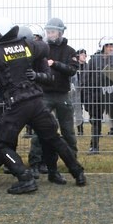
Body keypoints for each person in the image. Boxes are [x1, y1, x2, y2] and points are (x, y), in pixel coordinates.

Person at [0, 18, 87, 193]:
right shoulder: (27, 46)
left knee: (1, 144)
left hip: (17, 104)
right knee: (53, 138)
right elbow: (45, 48)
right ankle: (78, 173)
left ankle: (24, 177)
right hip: (37, 102)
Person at [26, 17, 79, 184]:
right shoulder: (42, 49)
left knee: (68, 131)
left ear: (61, 32)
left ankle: (73, 163)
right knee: (38, 132)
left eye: (53, 31)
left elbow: (72, 70)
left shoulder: (70, 51)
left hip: (63, 95)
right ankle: (35, 164)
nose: (50, 34)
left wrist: (54, 64)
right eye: (48, 31)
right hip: (44, 95)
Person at [81, 37, 113, 155]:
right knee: (95, 121)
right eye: (108, 46)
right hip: (96, 96)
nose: (110, 48)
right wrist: (88, 98)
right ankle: (94, 146)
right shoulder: (94, 61)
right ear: (102, 47)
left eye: (112, 46)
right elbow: (86, 80)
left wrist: (111, 73)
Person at [72, 48, 88, 136]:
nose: (84, 56)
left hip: (86, 92)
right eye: (82, 54)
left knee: (91, 109)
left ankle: (97, 128)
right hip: (76, 93)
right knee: (78, 111)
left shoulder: (88, 67)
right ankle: (80, 130)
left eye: (85, 54)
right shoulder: (74, 67)